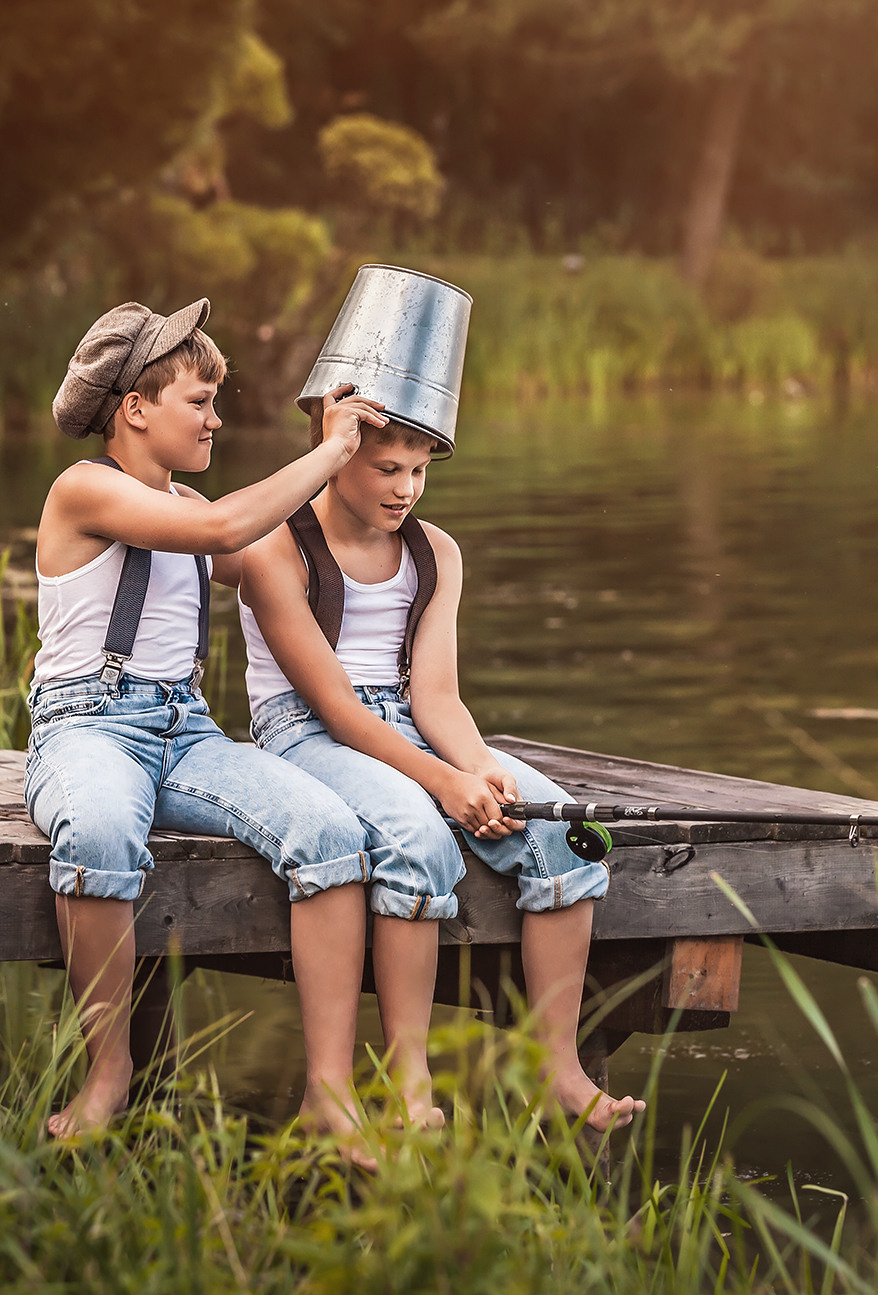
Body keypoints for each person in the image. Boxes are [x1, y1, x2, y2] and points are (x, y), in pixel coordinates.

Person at [29, 299, 394, 1143]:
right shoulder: (84, 489)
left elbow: (256, 531)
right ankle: (108, 1072)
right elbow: (228, 524)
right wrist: (332, 451)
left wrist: (334, 457)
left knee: (333, 833)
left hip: (184, 731)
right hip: (88, 728)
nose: (216, 418)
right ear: (133, 410)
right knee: (97, 833)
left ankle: (329, 1098)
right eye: (199, 402)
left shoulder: (189, 504)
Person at [236, 395, 645, 1132]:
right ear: (336, 453)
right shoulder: (276, 550)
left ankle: (556, 1066)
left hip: (406, 725)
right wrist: (442, 784)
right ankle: (409, 1080)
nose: (406, 488)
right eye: (389, 468)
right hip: (306, 731)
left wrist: (478, 766)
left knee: (558, 835)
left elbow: (436, 696)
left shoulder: (436, 552)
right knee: (415, 840)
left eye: (420, 470)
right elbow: (336, 710)